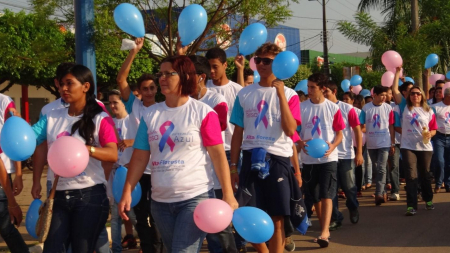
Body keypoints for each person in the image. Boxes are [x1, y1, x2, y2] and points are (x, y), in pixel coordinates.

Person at [118, 55, 238, 252]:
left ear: (184, 76)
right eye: (160, 74)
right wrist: (126, 191)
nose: (162, 78)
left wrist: (228, 194)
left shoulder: (204, 112)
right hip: (160, 202)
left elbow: (217, 155)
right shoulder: (150, 115)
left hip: (195, 197)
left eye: (168, 73)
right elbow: (139, 157)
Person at [32, 64, 118, 252]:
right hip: (59, 195)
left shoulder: (100, 118)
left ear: (86, 86)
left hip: (90, 195)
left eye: (69, 83)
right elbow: (30, 139)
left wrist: (85, 149)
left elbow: (112, 153)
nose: (63, 88)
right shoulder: (51, 117)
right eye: (62, 84)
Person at [230, 42, 301, 252]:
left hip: (277, 158)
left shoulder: (290, 95)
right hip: (251, 157)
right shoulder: (244, 94)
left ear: (278, 64)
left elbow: (290, 131)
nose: (261, 64)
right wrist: (233, 167)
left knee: (276, 216)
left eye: (267, 61)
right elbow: (237, 133)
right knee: (248, 213)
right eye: (258, 60)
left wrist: (279, 94)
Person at [116, 37, 164, 253]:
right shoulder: (134, 105)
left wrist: (133, 141)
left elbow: (158, 138)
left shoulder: (164, 109)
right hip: (138, 170)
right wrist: (134, 51)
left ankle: (159, 247)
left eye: (152, 87)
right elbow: (120, 79)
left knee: (157, 215)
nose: (149, 91)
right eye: (145, 88)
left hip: (158, 169)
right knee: (140, 214)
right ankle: (148, 248)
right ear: (139, 91)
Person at [188, 55, 237, 253]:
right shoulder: (183, 100)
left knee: (218, 217)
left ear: (200, 77)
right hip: (194, 164)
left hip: (217, 158)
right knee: (202, 216)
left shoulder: (216, 99)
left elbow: (220, 128)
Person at [297, 73, 344, 248]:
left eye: (312, 87)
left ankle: (325, 231)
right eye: (308, 87)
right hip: (308, 159)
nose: (308, 90)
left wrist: (332, 146)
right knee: (314, 195)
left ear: (322, 88)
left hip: (328, 158)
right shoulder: (302, 108)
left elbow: (339, 133)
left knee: (327, 194)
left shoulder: (333, 108)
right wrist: (300, 142)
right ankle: (324, 225)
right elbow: (294, 130)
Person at [323, 82, 363, 230]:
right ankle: (336, 217)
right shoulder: (321, 108)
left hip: (345, 154)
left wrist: (359, 152)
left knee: (349, 186)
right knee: (331, 189)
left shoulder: (347, 109)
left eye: (326, 91)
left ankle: (352, 207)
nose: (324, 94)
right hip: (328, 155)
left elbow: (357, 131)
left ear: (334, 91)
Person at [394, 86, 437, 215]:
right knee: (411, 176)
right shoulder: (404, 106)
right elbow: (395, 90)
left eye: (418, 93)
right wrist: (397, 72)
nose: (415, 96)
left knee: (425, 174)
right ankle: (411, 206)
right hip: (408, 147)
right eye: (412, 93)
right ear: (409, 96)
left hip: (424, 146)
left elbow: (434, 128)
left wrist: (430, 134)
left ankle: (428, 199)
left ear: (422, 95)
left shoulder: (429, 110)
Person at [108, 89, 139, 252]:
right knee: (116, 214)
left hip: (131, 174)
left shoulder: (133, 120)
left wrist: (131, 141)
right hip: (115, 175)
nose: (112, 106)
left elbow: (145, 140)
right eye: (110, 102)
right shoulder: (110, 123)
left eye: (116, 102)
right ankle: (117, 248)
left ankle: (150, 242)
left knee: (132, 214)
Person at [205, 48, 243, 166]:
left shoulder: (238, 90)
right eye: (208, 66)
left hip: (234, 151)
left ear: (225, 65)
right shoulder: (203, 89)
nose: (211, 70)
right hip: (209, 149)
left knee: (233, 185)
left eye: (215, 66)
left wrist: (240, 70)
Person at [0, 95, 28, 253]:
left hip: (3, 174)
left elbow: (16, 138)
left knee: (6, 227)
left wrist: (18, 174)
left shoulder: (4, 103)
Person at [360, 85, 395, 206]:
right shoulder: (366, 108)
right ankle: (383, 191)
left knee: (381, 167)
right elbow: (361, 125)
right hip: (371, 143)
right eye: (381, 95)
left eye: (386, 95)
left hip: (384, 142)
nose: (384, 97)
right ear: (374, 95)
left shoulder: (388, 108)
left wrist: (392, 142)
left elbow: (391, 126)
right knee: (376, 167)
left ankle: (379, 193)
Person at [430, 88, 450, 193]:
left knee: (449, 162)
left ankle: (448, 184)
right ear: (447, 96)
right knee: (439, 160)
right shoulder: (435, 107)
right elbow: (429, 120)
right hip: (439, 137)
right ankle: (438, 183)